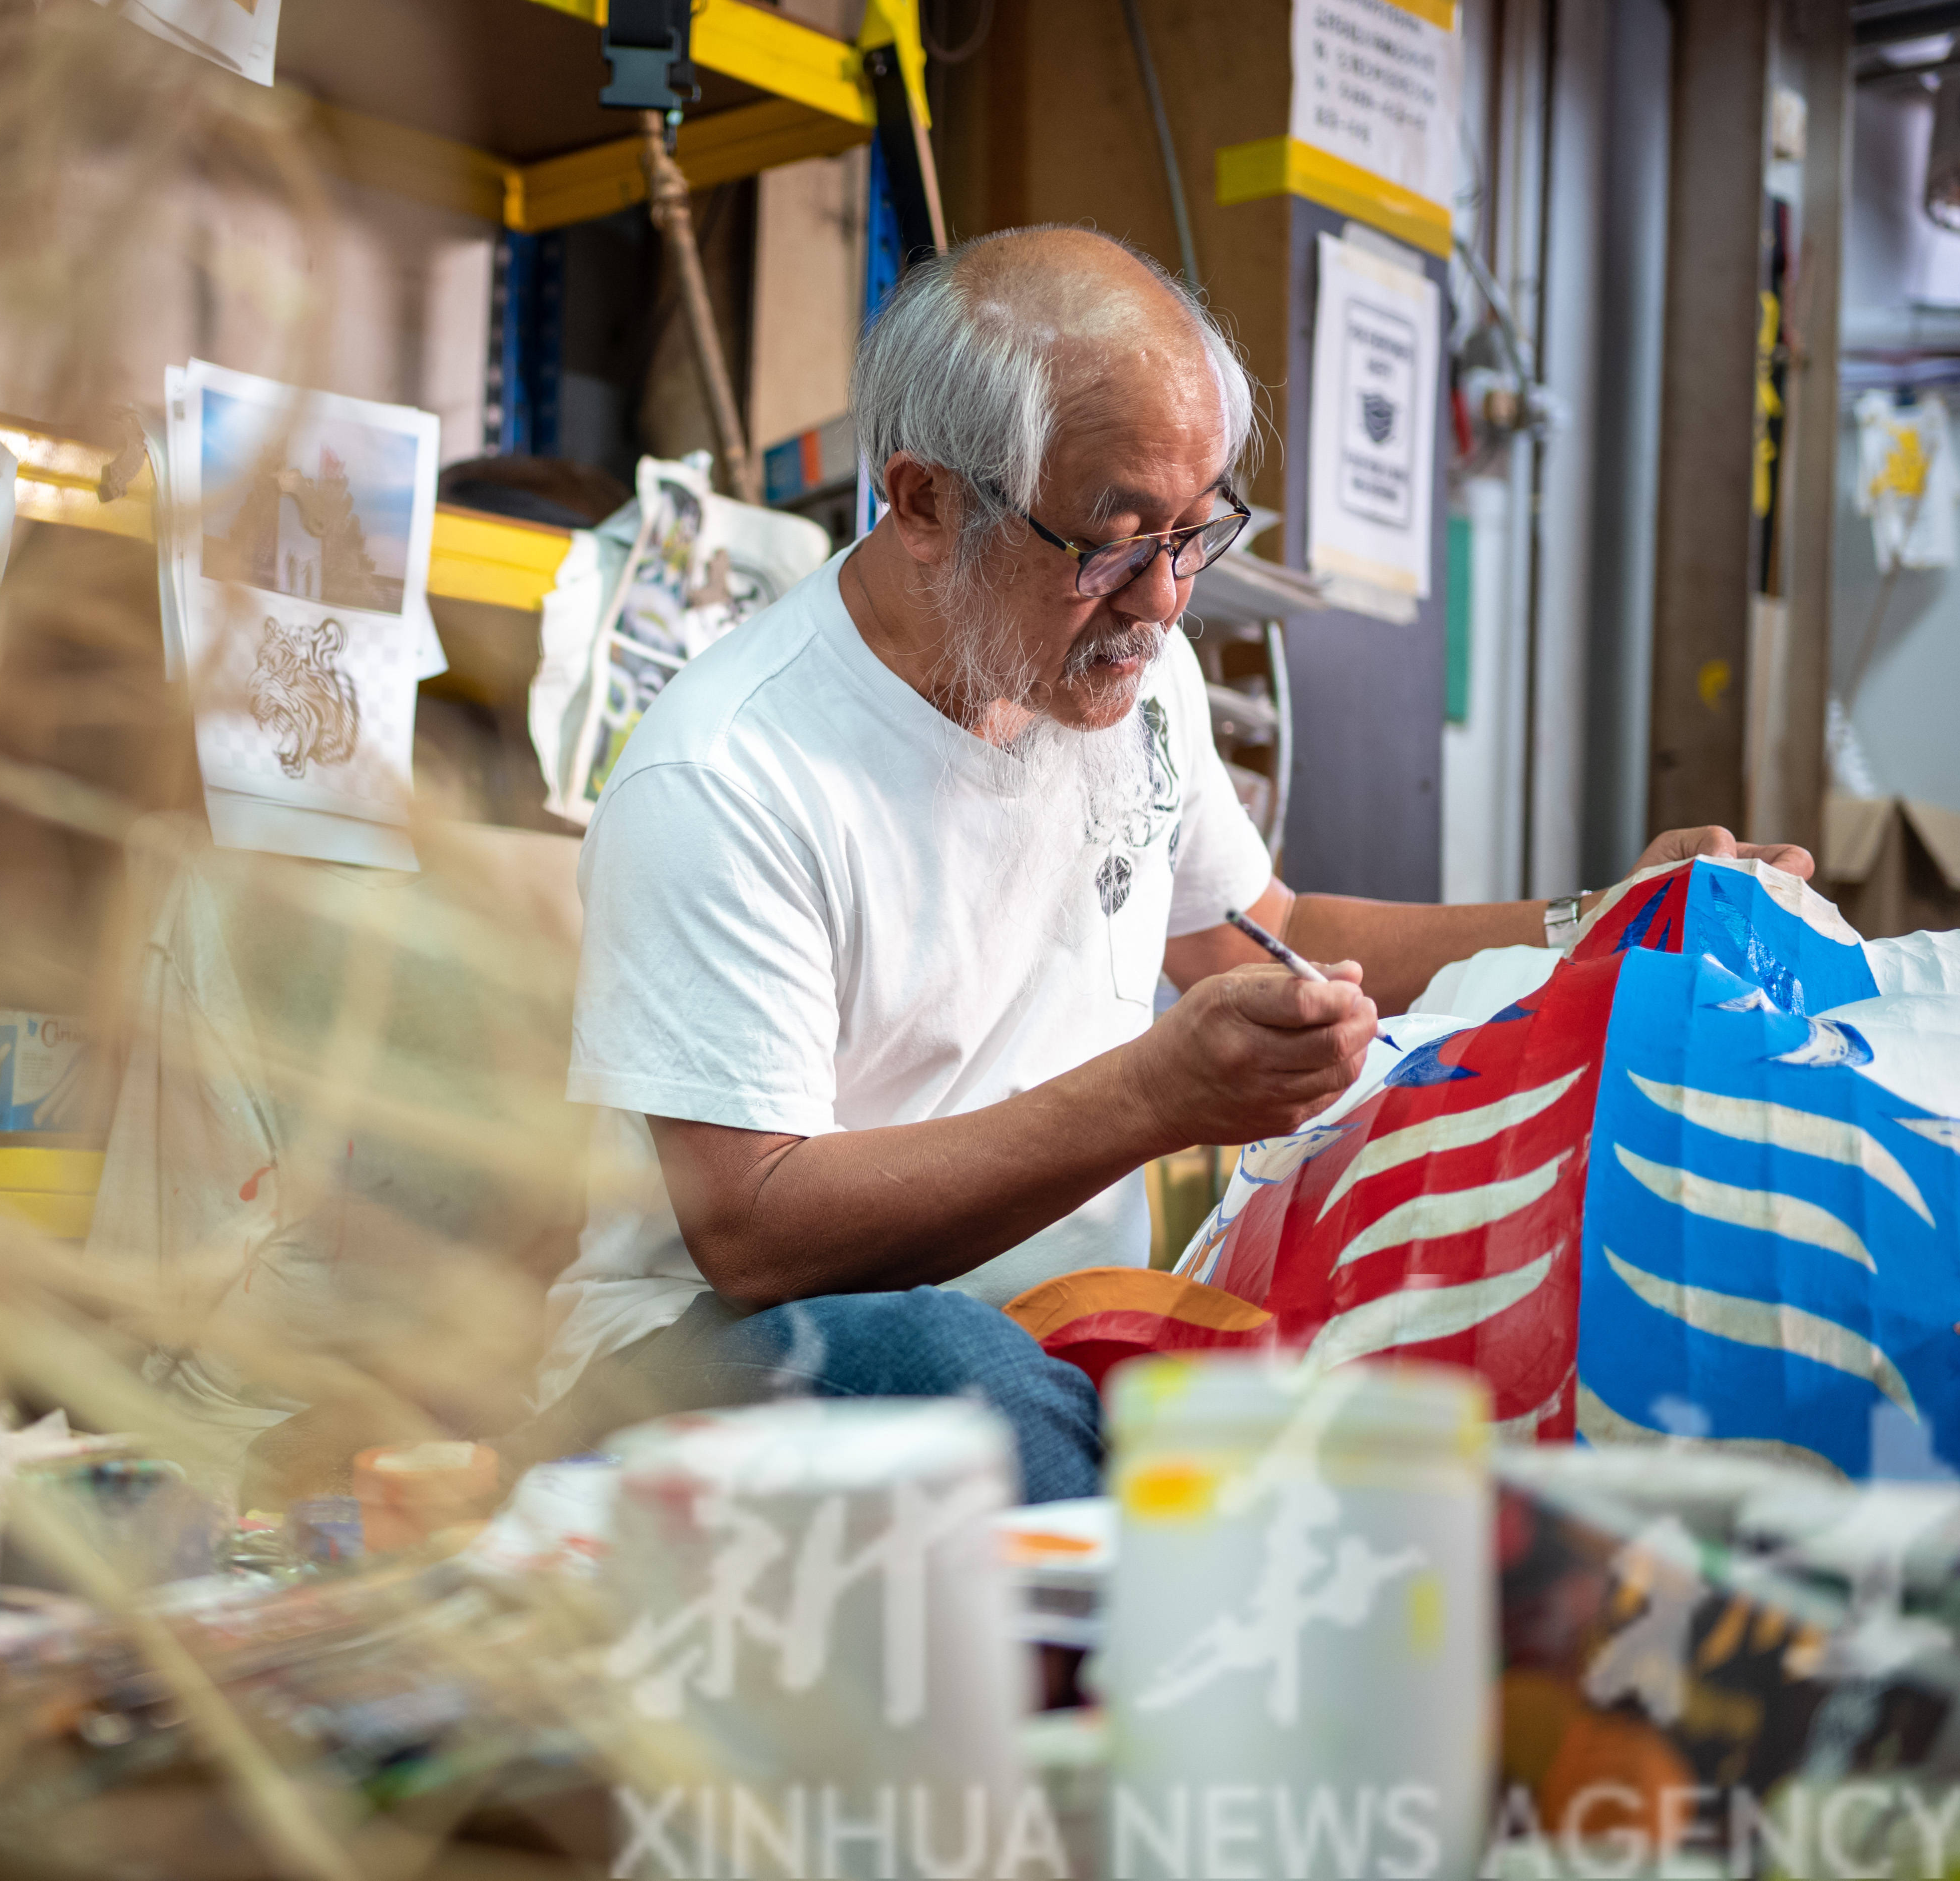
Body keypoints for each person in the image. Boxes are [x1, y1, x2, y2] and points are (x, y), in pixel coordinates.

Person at [527, 226, 1812, 1503]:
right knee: (963, 1377)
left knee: (1365, 1395)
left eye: (1196, 532)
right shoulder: (730, 773)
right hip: (711, 1354)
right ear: (923, 503)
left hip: (1056, 1331)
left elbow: (1264, 925)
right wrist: (1154, 1096)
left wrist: (1599, 921)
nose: (1165, 600)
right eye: (1113, 540)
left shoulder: (1135, 682)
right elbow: (752, 1230)